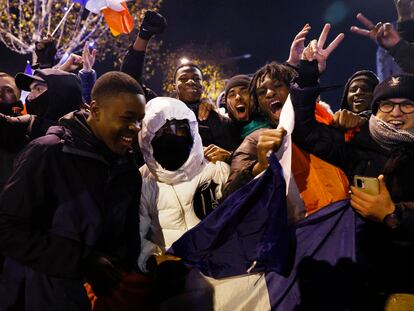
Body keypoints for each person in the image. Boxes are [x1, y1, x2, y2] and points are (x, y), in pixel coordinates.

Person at [0, 71, 146, 310]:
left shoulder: (128, 169)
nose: (136, 128)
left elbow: (126, 241)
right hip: (42, 300)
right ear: (96, 110)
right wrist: (83, 261)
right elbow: (8, 228)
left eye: (140, 119)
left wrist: (122, 274)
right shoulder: (48, 153)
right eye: (127, 118)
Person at [291, 26, 414, 305]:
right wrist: (309, 76)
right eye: (387, 105)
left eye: (407, 105)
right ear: (376, 109)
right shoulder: (356, 144)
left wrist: (392, 215)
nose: (396, 113)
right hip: (364, 280)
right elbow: (306, 132)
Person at [137, 97, 230, 275]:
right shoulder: (142, 181)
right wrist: (153, 259)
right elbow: (136, 235)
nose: (174, 135)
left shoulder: (216, 168)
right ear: (149, 135)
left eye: (181, 129)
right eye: (164, 130)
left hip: (222, 272)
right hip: (176, 281)